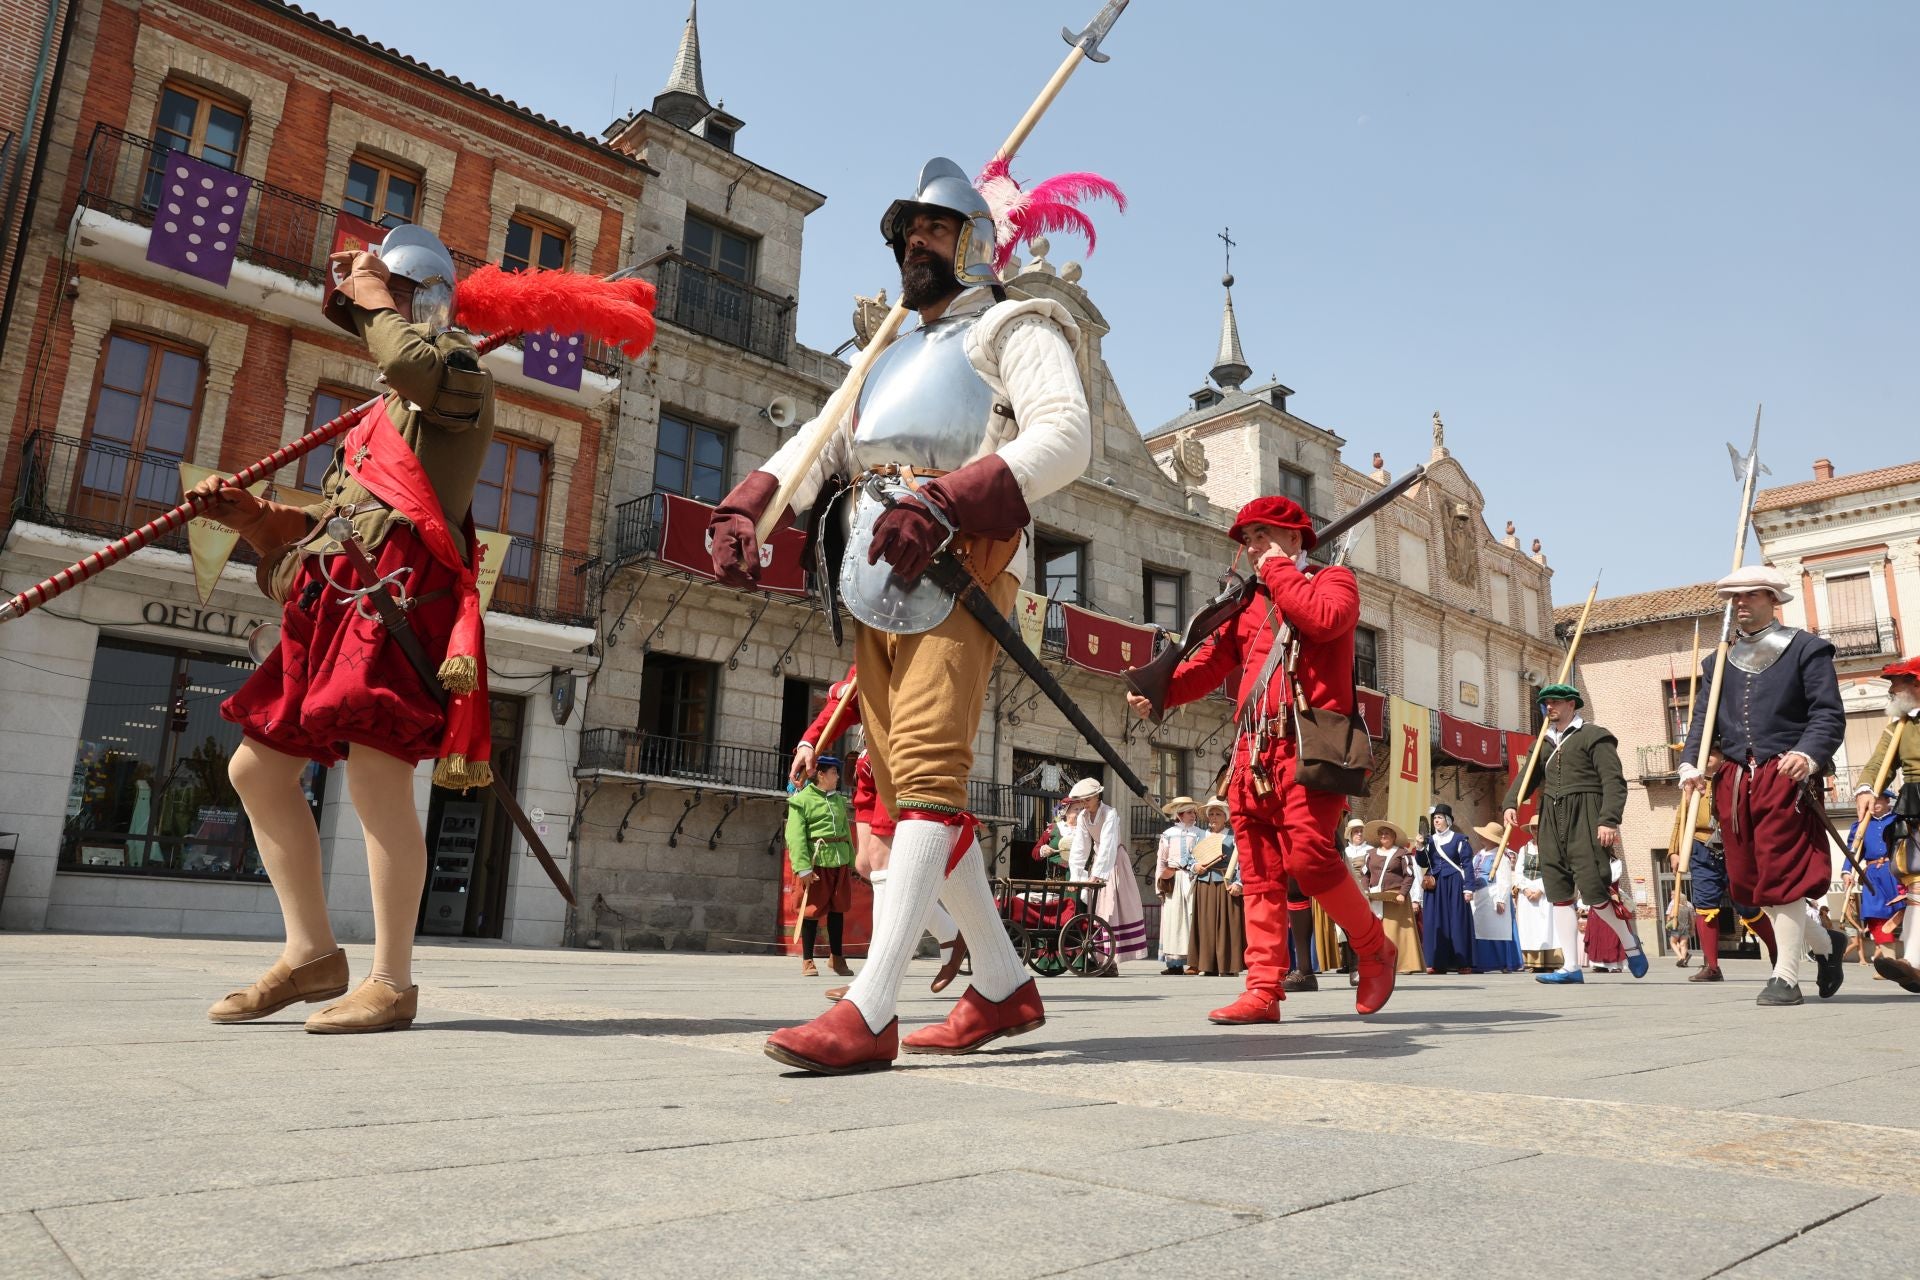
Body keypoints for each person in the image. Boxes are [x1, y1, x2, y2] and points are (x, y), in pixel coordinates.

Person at [711, 158, 1100, 1071]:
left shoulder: (1016, 326)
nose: (915, 243)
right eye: (906, 232)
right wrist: (749, 503)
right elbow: (822, 441)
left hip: (962, 563)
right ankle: (1004, 988)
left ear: (977, 242)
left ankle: (870, 1006)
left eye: (935, 228)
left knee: (925, 778)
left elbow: (1064, 435)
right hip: (871, 570)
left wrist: (950, 502)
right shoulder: (883, 356)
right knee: (914, 797)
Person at [194, 229, 496, 1034]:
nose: (370, 314)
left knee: (375, 779)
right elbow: (331, 526)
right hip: (335, 604)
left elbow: (410, 363)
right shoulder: (377, 421)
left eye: (385, 300)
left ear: (417, 302)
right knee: (256, 772)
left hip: (394, 606)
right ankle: (310, 956)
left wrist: (368, 295)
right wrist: (253, 516)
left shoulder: (460, 377)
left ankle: (391, 980)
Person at [1124, 494, 1398, 1026]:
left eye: (1263, 536)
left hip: (1309, 744)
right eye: (1248, 540)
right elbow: (1210, 664)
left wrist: (1276, 570)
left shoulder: (1333, 582)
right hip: (1252, 748)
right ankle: (1263, 989)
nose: (1253, 548)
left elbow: (1320, 621)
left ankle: (1372, 947)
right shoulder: (1247, 600)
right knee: (1260, 874)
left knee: (1310, 860)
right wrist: (1162, 692)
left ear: (1296, 538)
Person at [1680, 566, 1847, 1006]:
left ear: (1773, 599)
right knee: (1750, 884)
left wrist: (1808, 754)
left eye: (1750, 595)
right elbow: (1703, 720)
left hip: (1785, 776)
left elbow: (1827, 714)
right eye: (1734, 597)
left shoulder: (1806, 650)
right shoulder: (1718, 663)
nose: (1740, 603)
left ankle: (1786, 979)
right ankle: (1829, 946)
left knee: (1783, 874)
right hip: (1734, 781)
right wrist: (1689, 765)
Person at [789, 665, 966, 1002]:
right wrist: (810, 742)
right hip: (870, 759)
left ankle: (876, 974)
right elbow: (849, 700)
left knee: (887, 866)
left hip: (903, 757)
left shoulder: (912, 632)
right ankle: (950, 934)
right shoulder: (872, 635)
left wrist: (848, 690)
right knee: (868, 866)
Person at [1504, 684, 1646, 986]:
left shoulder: (1594, 736)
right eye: (1545, 704)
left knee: (1594, 889)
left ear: (1571, 704)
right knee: (1558, 891)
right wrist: (1510, 804)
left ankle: (1630, 943)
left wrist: (1608, 820)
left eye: (1554, 702)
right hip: (1552, 818)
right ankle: (1570, 966)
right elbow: (1526, 777)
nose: (1548, 707)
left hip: (1587, 814)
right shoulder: (1542, 742)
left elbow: (1613, 781)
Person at [1854, 656, 1920, 992]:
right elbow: (1879, 763)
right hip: (1916, 809)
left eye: (1898, 682)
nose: (1891, 689)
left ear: (1917, 685)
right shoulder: (1899, 726)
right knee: (1917, 885)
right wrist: (1866, 788)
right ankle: (1914, 963)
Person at [1064, 777, 1149, 969]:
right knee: (1098, 908)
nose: (1084, 804)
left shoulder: (1110, 813)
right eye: (1082, 800)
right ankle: (1100, 958)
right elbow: (1080, 847)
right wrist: (1076, 876)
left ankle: (1112, 961)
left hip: (1115, 862)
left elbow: (1109, 844)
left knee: (1112, 908)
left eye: (1087, 799)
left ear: (1097, 796)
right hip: (1100, 860)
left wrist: (1100, 873)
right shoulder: (1084, 817)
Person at [785, 755, 856, 978]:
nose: (837, 777)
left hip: (839, 862)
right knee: (811, 912)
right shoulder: (801, 800)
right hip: (816, 864)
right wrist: (803, 868)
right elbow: (795, 836)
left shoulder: (838, 800)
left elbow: (846, 834)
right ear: (821, 775)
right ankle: (807, 960)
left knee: (838, 910)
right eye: (834, 773)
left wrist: (852, 863)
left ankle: (836, 958)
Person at [1416, 804, 1477, 975]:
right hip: (1434, 886)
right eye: (1435, 818)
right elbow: (1422, 863)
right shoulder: (1429, 841)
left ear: (1448, 820)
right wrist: (1420, 847)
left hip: (1455, 883)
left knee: (1457, 921)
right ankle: (1437, 962)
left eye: (1440, 817)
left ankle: (1462, 962)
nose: (1436, 820)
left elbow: (1467, 865)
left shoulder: (1459, 840)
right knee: (1435, 923)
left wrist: (1468, 888)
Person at [1847, 789, 1903, 973]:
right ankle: (1890, 962)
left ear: (1888, 801)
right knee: (1875, 914)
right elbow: (1853, 851)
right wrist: (1847, 872)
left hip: (1896, 870)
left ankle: (1911, 958)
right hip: (1872, 875)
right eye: (1873, 799)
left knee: (1909, 911)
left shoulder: (1898, 819)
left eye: (1880, 799)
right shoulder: (1861, 825)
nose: (1875, 802)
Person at [1189, 798, 1244, 977]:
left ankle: (1228, 966)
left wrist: (1239, 882)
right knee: (1205, 924)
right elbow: (1189, 858)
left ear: (1225, 817)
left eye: (1218, 814)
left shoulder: (1233, 836)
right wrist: (1194, 867)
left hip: (1226, 884)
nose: (1213, 817)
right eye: (1211, 813)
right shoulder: (1200, 836)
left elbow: (1243, 861)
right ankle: (1207, 964)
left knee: (1227, 925)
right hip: (1204, 884)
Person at [1362, 820, 1424, 974]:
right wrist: (1364, 892)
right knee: (1377, 931)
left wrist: (1402, 893)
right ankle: (1379, 963)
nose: (1384, 836)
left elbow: (1409, 876)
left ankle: (1403, 964)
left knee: (1397, 931)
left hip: (1395, 897)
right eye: (1381, 834)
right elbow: (1365, 875)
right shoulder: (1370, 854)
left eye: (1387, 833)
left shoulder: (1402, 854)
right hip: (1375, 897)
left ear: (1394, 837)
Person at [1155, 797, 1203, 974]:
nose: (1193, 816)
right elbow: (1161, 860)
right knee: (1173, 919)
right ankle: (1174, 964)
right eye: (1189, 812)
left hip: (1191, 878)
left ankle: (1194, 962)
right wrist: (1159, 886)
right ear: (1180, 814)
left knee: (1192, 916)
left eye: (1194, 812)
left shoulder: (1199, 833)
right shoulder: (1168, 834)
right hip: (1173, 877)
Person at [1469, 822, 1522, 973]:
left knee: (1497, 930)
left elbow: (1505, 879)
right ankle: (1482, 962)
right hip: (1479, 896)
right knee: (1480, 929)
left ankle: (1501, 962)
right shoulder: (1479, 855)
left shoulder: (1501, 856)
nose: (1482, 838)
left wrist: (1501, 899)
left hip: (1493, 894)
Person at [1510, 817, 1558, 972]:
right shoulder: (1524, 849)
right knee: (1528, 926)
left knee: (1545, 926)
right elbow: (1518, 871)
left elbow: (1553, 870)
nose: (1536, 831)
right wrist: (1525, 889)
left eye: (1538, 827)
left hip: (1544, 891)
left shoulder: (1551, 847)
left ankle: (1547, 962)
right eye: (1533, 828)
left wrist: (1540, 890)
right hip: (1527, 892)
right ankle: (1531, 962)